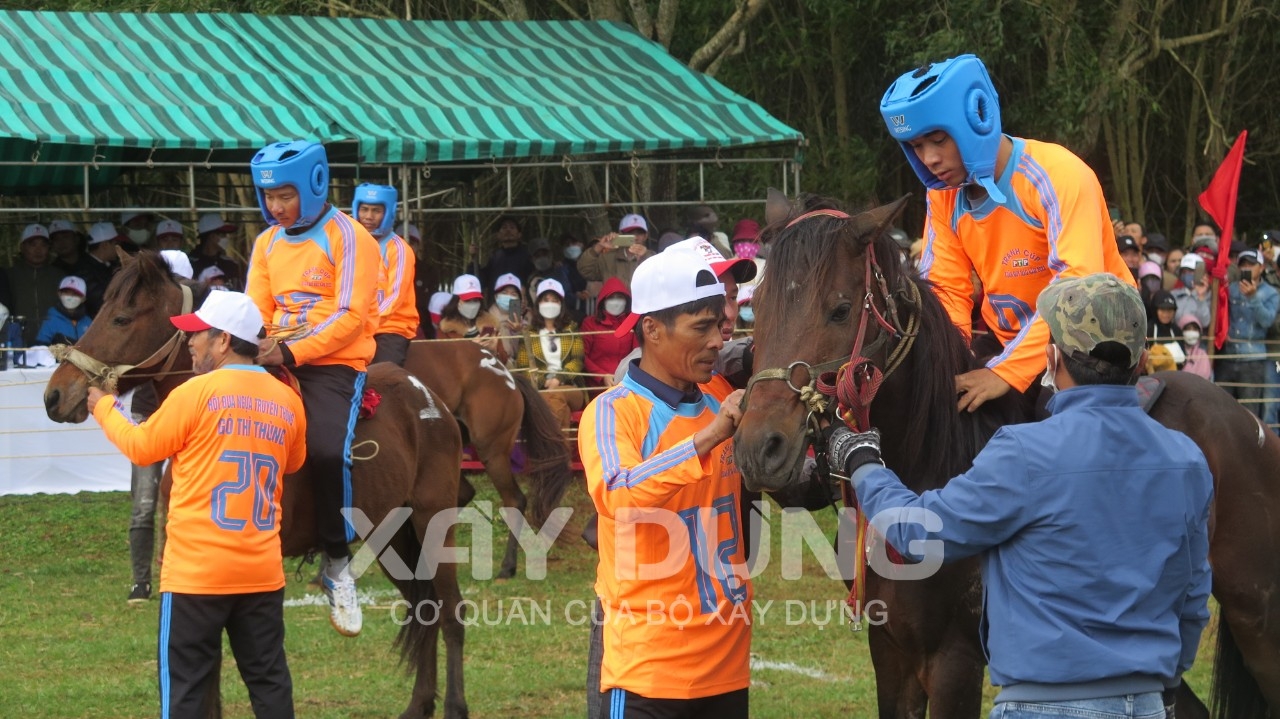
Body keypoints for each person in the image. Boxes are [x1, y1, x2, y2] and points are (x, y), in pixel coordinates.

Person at [824, 273, 1212, 719]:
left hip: (1044, 703)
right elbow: (1193, 595)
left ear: (1051, 358)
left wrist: (863, 463)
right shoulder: (1187, 459)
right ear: (1142, 360)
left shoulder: (1025, 452)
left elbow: (919, 533)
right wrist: (1162, 679)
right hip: (1148, 702)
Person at [86, 290, 306, 719]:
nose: (191, 343)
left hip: (196, 576)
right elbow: (294, 461)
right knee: (269, 681)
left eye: (198, 335)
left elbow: (142, 446)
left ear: (224, 341)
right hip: (261, 571)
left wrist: (105, 408)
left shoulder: (194, 393)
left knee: (186, 689)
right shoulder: (288, 400)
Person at [880, 54, 1135, 412]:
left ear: (977, 118)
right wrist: (949, 359)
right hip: (1010, 344)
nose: (929, 159)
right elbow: (947, 288)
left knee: (1056, 429)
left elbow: (1078, 290)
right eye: (917, 147)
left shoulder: (1058, 174)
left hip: (1093, 348)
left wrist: (1005, 373)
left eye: (937, 139)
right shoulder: (942, 195)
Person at [579, 249, 750, 718]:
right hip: (646, 672)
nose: (719, 339)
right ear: (652, 330)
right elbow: (618, 491)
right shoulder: (613, 411)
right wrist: (707, 439)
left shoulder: (723, 395)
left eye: (720, 323)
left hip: (727, 664)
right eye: (702, 327)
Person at [245, 140, 379, 637]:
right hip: (272, 354)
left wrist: (291, 353)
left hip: (331, 363)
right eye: (268, 198)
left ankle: (338, 563)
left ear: (314, 185)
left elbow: (350, 316)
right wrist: (250, 346)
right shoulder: (267, 243)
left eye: (284, 195)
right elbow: (256, 309)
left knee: (324, 450)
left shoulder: (350, 236)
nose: (274, 207)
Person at [352, 183, 419, 366]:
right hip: (355, 327)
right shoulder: (349, 246)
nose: (368, 216)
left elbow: (395, 297)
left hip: (391, 328)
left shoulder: (399, 249)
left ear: (388, 212)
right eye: (364, 209)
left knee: (382, 378)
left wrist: (365, 323)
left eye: (376, 210)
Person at [515, 279, 586, 428]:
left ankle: (549, 446)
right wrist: (543, 381)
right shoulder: (529, 333)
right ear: (538, 303)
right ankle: (560, 449)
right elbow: (523, 366)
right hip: (539, 389)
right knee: (561, 408)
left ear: (561, 304)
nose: (550, 303)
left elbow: (577, 361)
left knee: (555, 396)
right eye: (546, 300)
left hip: (570, 387)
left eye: (555, 300)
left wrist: (559, 379)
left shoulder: (571, 329)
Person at [1218, 249, 1280, 420]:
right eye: (1243, 264)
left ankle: (1250, 447)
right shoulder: (1230, 289)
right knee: (1221, 408)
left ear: (1261, 267)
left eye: (1251, 264)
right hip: (1228, 356)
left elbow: (1267, 321)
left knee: (1250, 413)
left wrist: (1253, 298)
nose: (1247, 267)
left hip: (1253, 358)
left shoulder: (1271, 293)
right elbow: (1221, 315)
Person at [6, 223, 66, 347]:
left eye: (43, 245)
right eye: (32, 244)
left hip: (55, 344)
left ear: (49, 248)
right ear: (22, 247)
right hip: (17, 343)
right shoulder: (9, 276)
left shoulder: (60, 276)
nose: (38, 250)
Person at [580, 277, 637, 388]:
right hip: (597, 384)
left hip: (627, 382)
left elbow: (637, 353)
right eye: (611, 298)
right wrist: (602, 376)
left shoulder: (632, 323)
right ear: (603, 301)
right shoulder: (590, 323)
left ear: (626, 301)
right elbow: (582, 356)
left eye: (619, 297)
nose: (615, 301)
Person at [578, 214, 655, 288]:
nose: (635, 237)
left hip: (642, 301)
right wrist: (599, 246)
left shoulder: (654, 258)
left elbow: (661, 279)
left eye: (639, 233)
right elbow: (585, 271)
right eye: (630, 233)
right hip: (615, 301)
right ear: (621, 234)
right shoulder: (607, 258)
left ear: (645, 236)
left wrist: (645, 257)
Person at [439, 274, 505, 361]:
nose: (472, 305)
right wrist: (469, 348)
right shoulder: (446, 330)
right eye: (467, 300)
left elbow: (504, 361)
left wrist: (494, 350)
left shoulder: (490, 325)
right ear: (456, 301)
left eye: (475, 300)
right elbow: (442, 363)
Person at [473, 216, 534, 292]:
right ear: (498, 235)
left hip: (518, 301)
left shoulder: (528, 256)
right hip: (497, 301)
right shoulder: (494, 257)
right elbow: (482, 281)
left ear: (519, 234)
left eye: (512, 227)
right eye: (504, 228)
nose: (508, 230)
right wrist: (473, 259)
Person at [190, 213, 245, 291]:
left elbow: (239, 292)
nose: (226, 239)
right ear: (211, 237)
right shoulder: (190, 265)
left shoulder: (231, 265)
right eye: (223, 235)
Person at [35, 276, 91, 345]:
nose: (70, 297)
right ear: (59, 294)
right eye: (66, 293)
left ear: (83, 298)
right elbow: (39, 350)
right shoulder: (50, 321)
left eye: (75, 294)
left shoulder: (88, 322)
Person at [83, 222, 124, 316]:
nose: (119, 248)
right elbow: (102, 302)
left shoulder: (113, 265)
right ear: (105, 245)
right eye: (116, 244)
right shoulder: (84, 271)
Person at [488, 273, 528, 362]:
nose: (509, 296)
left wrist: (517, 331)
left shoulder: (524, 324)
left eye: (513, 294)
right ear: (496, 296)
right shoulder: (485, 321)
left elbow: (525, 355)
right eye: (504, 293)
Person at [1178, 316, 1212, 380]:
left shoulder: (1202, 354)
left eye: (1195, 329)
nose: (1192, 332)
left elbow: (1204, 375)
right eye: (1188, 329)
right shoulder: (1176, 351)